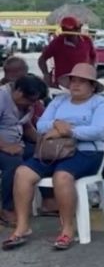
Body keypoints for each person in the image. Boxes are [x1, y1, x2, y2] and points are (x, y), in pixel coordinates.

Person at [2, 63, 104, 251]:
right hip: (54, 150)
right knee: (22, 172)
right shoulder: (59, 101)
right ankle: (22, 227)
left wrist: (69, 130)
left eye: (82, 82)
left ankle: (67, 229)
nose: (75, 85)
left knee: (62, 176)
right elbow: (41, 125)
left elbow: (99, 131)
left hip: (88, 152)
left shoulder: (102, 104)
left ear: (92, 86)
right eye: (73, 81)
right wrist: (57, 126)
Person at [0, 75, 47, 227]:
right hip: (4, 146)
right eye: (30, 100)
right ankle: (7, 209)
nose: (32, 104)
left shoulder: (25, 105)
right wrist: (5, 146)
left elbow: (27, 127)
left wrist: (43, 141)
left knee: (44, 156)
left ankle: (49, 201)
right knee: (14, 163)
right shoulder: (2, 97)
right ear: (19, 92)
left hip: (18, 143)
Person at [38, 16, 97, 88]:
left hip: (82, 83)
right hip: (62, 85)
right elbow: (42, 59)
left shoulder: (87, 40)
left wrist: (92, 71)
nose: (67, 33)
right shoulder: (57, 42)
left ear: (78, 29)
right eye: (64, 29)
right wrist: (46, 75)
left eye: (69, 30)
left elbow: (93, 57)